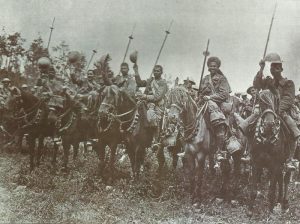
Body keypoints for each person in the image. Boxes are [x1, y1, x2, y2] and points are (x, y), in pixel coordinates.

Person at [238, 53, 300, 170]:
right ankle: (248, 152)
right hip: (265, 109)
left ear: (281, 69)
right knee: (250, 123)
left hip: (281, 110)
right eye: (272, 68)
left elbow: (288, 99)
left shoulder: (288, 83)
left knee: (293, 129)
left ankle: (290, 159)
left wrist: (277, 109)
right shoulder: (267, 81)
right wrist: (261, 68)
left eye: (277, 68)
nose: (274, 70)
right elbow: (256, 84)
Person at [199, 56, 231, 161]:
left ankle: (219, 151)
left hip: (218, 104)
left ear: (217, 67)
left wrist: (210, 97)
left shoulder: (222, 79)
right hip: (204, 103)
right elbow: (201, 92)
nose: (212, 67)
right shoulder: (205, 79)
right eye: (210, 66)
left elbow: (224, 95)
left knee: (219, 121)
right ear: (208, 67)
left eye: (214, 66)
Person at [133, 64, 168, 150]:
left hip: (158, 104)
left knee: (151, 115)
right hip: (146, 102)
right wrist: (136, 72)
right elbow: (139, 83)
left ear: (161, 72)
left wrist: (145, 96)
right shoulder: (150, 80)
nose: (156, 72)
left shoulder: (163, 83)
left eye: (158, 71)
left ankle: (155, 140)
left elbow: (157, 97)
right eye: (155, 70)